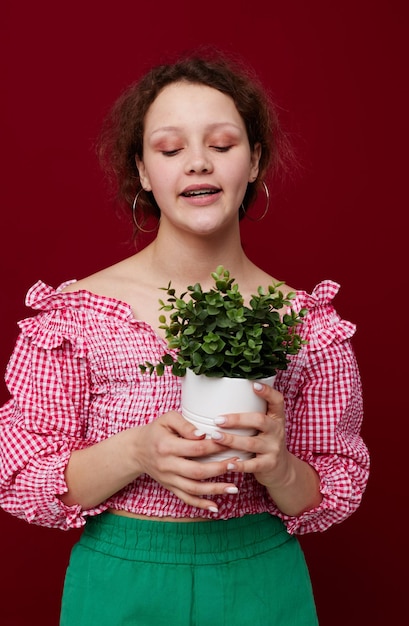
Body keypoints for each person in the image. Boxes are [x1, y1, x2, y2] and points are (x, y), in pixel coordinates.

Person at [0, 51, 369, 625]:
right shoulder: (74, 318)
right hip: (121, 582)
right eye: (171, 150)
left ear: (254, 163)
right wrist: (136, 450)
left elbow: (334, 491)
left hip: (261, 581)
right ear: (144, 172)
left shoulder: (306, 325)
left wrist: (280, 469)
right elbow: (21, 478)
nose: (198, 163)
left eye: (222, 145)